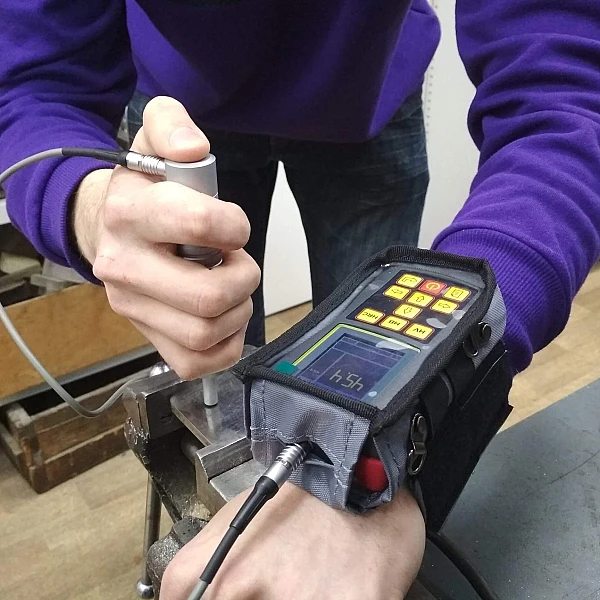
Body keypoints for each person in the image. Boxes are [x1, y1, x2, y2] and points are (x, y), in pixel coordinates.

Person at [1, 1, 600, 598]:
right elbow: (34, 83)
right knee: (221, 356)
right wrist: (86, 208)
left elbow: (563, 96)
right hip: (184, 116)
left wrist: (396, 437)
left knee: (375, 347)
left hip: (369, 95)